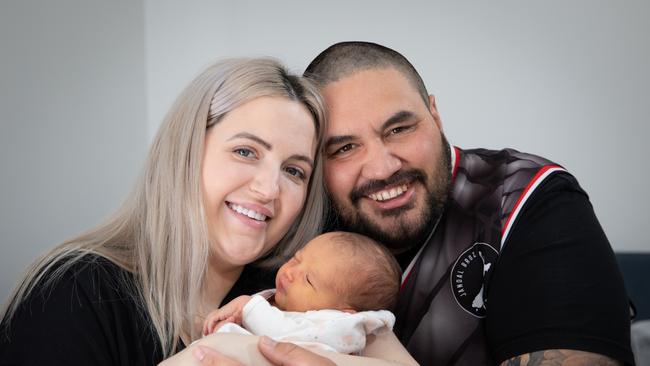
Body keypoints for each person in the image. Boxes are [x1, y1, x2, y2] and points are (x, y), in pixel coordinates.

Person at [296, 41, 634, 365]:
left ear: (435, 114)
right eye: (344, 148)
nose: (383, 168)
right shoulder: (300, 220)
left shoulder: (526, 199)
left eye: (399, 129)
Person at [0, 58, 327, 365]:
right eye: (245, 151)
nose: (269, 189)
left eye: (294, 171)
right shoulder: (73, 294)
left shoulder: (292, 306)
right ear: (184, 153)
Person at [202, 231, 401, 354]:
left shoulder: (331, 330)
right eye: (296, 259)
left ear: (343, 313)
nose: (289, 273)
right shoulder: (291, 303)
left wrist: (247, 306)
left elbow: (281, 334)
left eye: (308, 280)